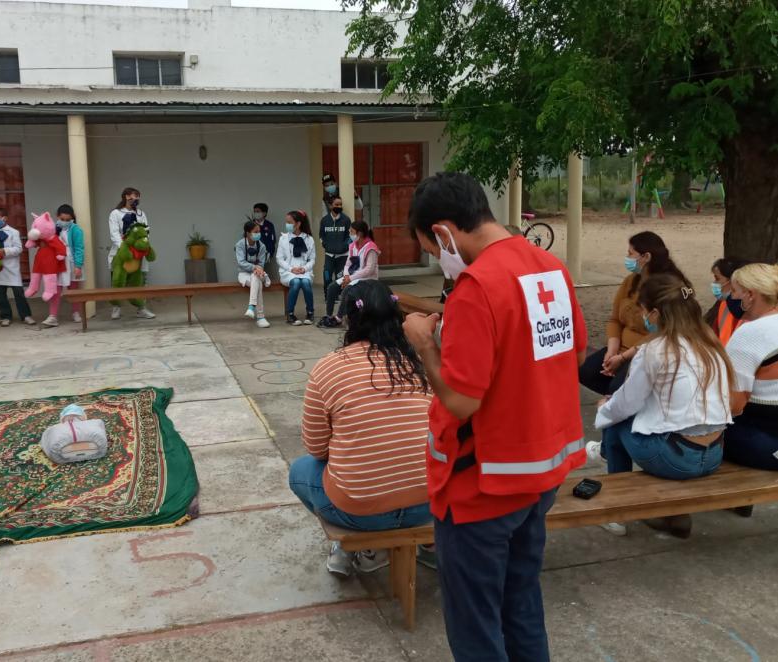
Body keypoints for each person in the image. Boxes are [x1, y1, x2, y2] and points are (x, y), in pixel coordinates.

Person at [401, 172, 588, 661]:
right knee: (521, 603)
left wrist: (425, 345)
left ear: (443, 232)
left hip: (480, 489)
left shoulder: (476, 287)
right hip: (539, 475)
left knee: (475, 625)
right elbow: (572, 351)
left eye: (430, 248)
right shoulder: (550, 268)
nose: (436, 259)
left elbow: (461, 401)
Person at [289, 280, 432, 576]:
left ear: (348, 319)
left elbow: (316, 448)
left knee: (301, 470)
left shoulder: (329, 367)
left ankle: (357, 546)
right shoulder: (421, 361)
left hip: (359, 511)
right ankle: (430, 546)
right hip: (428, 503)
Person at [587, 275, 733, 538]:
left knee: (616, 422)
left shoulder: (655, 350)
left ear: (654, 313)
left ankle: (617, 511)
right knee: (628, 415)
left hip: (676, 458)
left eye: (643, 311)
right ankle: (671, 513)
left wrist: (604, 408)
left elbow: (626, 404)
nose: (643, 317)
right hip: (713, 454)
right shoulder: (711, 344)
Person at [579, 231, 689, 395]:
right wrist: (612, 350)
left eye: (631, 253)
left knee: (617, 387)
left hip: (646, 354)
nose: (627, 257)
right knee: (585, 372)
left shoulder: (668, 288)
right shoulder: (630, 281)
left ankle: (623, 403)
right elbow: (615, 320)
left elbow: (662, 333)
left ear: (646, 257)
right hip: (620, 349)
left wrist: (624, 358)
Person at [723, 263, 778, 470]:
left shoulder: (749, 334)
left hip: (767, 441)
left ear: (750, 294)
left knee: (693, 436)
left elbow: (734, 405)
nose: (732, 298)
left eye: (735, 291)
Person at [318, 220, 379, 328]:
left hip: (367, 279)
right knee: (332, 287)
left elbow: (369, 270)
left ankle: (338, 318)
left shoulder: (371, 247)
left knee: (347, 290)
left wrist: (350, 279)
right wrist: (346, 276)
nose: (350, 234)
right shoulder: (353, 246)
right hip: (352, 277)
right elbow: (347, 264)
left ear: (359, 233)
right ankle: (329, 315)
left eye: (351, 232)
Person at [108, 187, 154, 321]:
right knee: (117, 281)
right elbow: (114, 233)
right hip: (122, 253)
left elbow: (146, 231)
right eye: (132, 196)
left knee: (140, 282)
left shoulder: (141, 213)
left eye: (137, 196)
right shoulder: (115, 213)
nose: (134, 199)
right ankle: (116, 307)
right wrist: (125, 248)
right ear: (125, 197)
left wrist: (143, 246)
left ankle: (141, 308)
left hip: (138, 254)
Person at [0, 207, 34, 327]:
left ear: (4, 218)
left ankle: (26, 315)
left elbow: (19, 249)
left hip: (12, 267)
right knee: (0, 295)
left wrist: (5, 251)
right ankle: (5, 316)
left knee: (19, 293)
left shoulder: (14, 232)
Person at [276, 210, 316, 325]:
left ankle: (310, 312)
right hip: (287, 271)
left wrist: (304, 269)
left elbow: (312, 259)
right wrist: (291, 269)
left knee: (306, 283)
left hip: (304, 271)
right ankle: (290, 314)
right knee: (296, 282)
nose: (287, 225)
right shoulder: (283, 238)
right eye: (286, 222)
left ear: (298, 224)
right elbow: (279, 259)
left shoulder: (309, 239)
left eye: (289, 222)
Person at [50, 204, 85, 326]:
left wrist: (78, 266)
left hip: (71, 262)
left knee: (73, 289)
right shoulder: (52, 229)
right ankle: (53, 315)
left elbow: (79, 248)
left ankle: (76, 312)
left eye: (68, 220)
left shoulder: (76, 229)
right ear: (57, 217)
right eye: (62, 219)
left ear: (72, 218)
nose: (64, 222)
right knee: (55, 289)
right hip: (57, 262)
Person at [705, 257, 749, 344]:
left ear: (733, 281)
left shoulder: (749, 312)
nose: (714, 283)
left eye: (717, 279)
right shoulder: (724, 304)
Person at [235, 220, 271, 328]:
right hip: (244, 274)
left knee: (256, 278)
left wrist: (258, 268)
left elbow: (261, 262)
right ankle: (260, 317)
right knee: (258, 283)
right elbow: (241, 263)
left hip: (257, 273)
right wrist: (254, 267)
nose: (258, 234)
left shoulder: (262, 246)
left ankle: (251, 307)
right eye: (255, 232)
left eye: (259, 231)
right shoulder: (240, 245)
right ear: (247, 233)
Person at [318, 195, 352, 299]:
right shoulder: (324, 220)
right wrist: (326, 245)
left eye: (340, 204)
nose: (339, 206)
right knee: (327, 276)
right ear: (330, 205)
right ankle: (328, 295)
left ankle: (337, 295)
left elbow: (350, 237)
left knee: (339, 277)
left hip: (343, 255)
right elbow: (321, 236)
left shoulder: (346, 220)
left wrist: (343, 246)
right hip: (329, 255)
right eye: (336, 204)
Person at [252, 203, 279, 284]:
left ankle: (261, 285)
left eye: (258, 211)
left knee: (262, 271)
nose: (256, 213)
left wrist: (270, 253)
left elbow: (272, 240)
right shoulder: (251, 224)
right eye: (255, 211)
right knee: (254, 272)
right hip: (253, 253)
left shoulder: (269, 225)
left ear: (264, 213)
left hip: (265, 253)